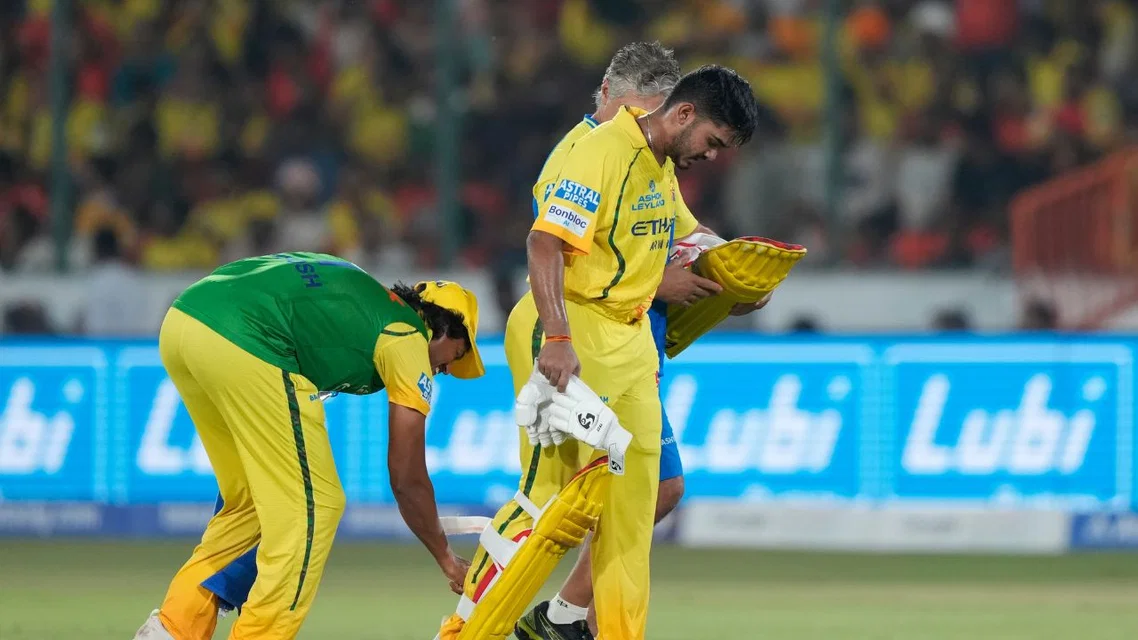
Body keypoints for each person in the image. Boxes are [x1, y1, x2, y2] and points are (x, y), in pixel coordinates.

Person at [440, 63, 760, 640]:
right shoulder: (601, 151)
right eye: (713, 143)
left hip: (632, 338)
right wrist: (558, 338)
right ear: (684, 115)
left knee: (634, 514)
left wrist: (738, 279)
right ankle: (465, 631)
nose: (712, 157)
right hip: (574, 328)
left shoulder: (661, 168)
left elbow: (688, 242)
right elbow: (544, 241)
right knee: (546, 504)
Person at [132, 252, 484, 640]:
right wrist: (446, 558)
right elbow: (406, 474)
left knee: (251, 502)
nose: (448, 370)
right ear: (445, 329)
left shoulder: (365, 301)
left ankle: (171, 630)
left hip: (187, 320)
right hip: (246, 337)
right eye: (458, 357)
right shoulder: (406, 336)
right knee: (315, 503)